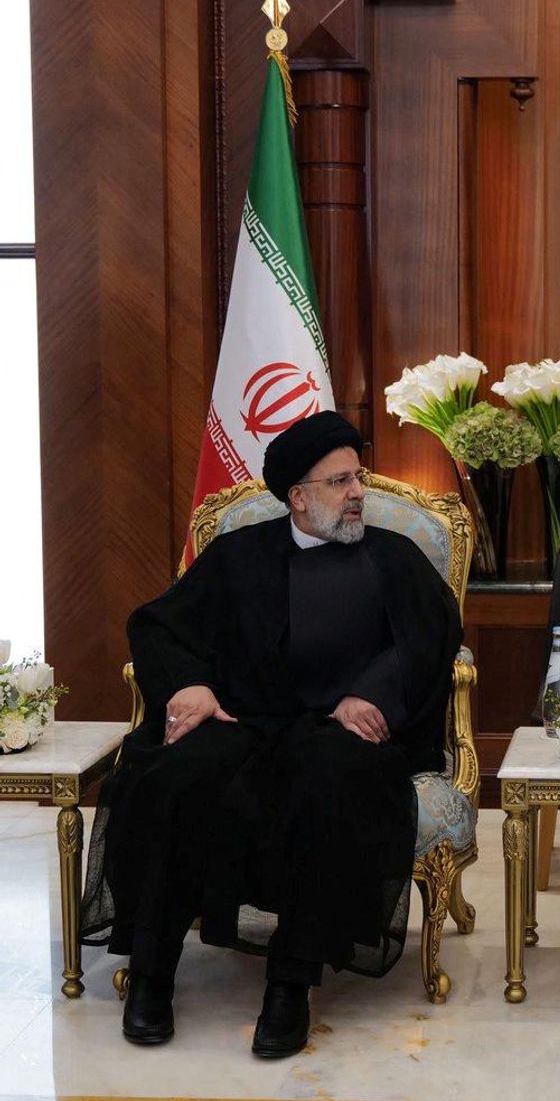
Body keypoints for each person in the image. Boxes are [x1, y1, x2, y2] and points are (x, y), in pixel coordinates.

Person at [81, 411, 462, 1058]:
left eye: (358, 477)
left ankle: (291, 981)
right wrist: (188, 687)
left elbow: (431, 637)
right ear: (298, 496)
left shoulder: (392, 555)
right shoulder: (239, 555)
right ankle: (152, 971)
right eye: (339, 481)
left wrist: (370, 693)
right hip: (246, 721)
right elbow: (158, 625)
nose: (357, 493)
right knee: (170, 775)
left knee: (328, 785)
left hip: (337, 733)